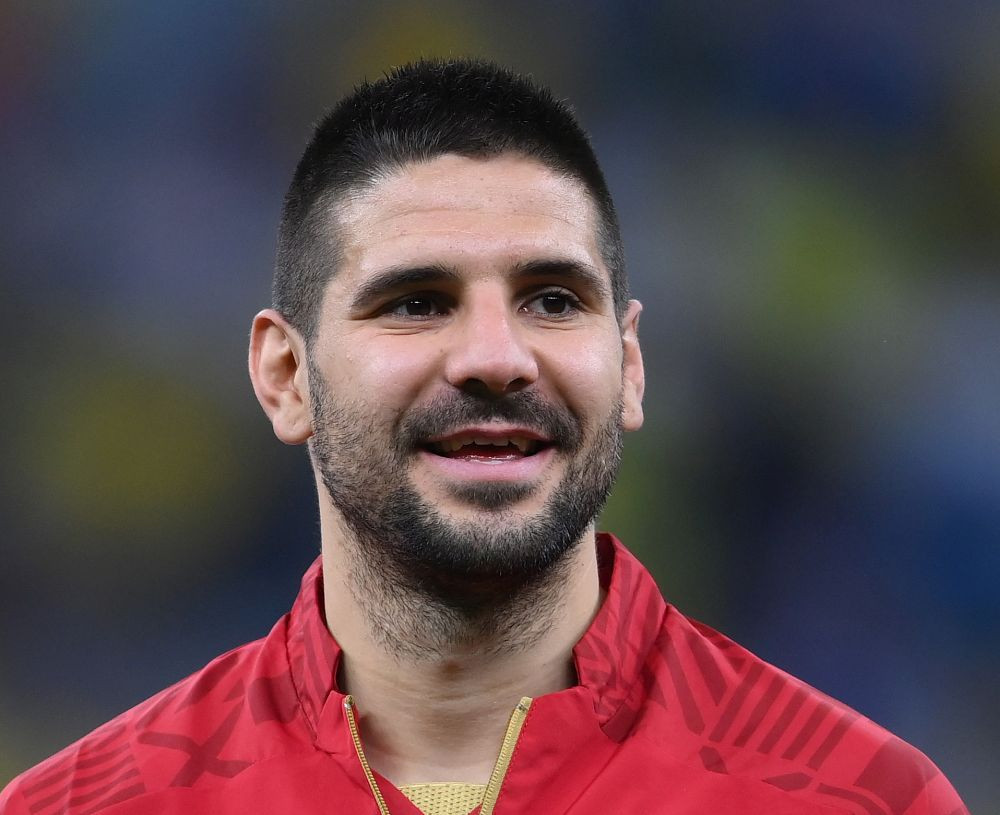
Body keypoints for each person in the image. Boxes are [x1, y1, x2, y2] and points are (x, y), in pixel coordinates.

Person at [0, 58, 966, 815]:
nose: (497, 357)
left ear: (630, 366)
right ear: (286, 377)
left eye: (553, 299)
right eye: (417, 302)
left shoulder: (863, 798)